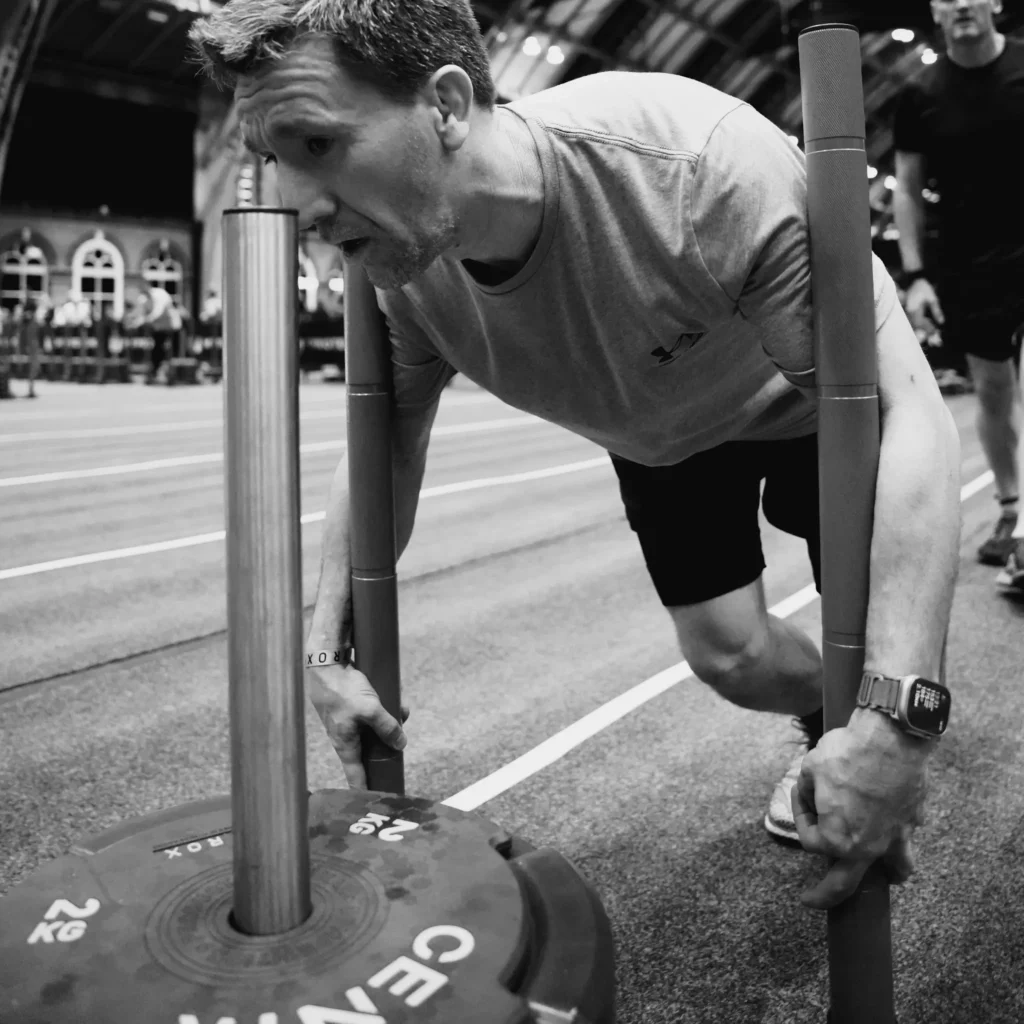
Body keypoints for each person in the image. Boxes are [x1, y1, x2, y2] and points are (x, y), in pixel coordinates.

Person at [190, 0, 962, 911]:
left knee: (876, 654)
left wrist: (896, 719)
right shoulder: (398, 265)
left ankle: (856, 716)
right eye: (272, 159)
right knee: (730, 658)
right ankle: (822, 714)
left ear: (444, 105)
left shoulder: (696, 166)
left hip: (809, 408)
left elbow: (914, 411)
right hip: (659, 431)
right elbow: (381, 444)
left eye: (316, 144)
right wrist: (324, 650)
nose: (297, 205)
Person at [893, 0, 1024, 591]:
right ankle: (1011, 504)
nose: (963, 3)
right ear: (936, 11)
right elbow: (908, 191)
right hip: (970, 265)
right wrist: (916, 275)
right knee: (994, 391)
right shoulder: (920, 93)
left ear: (996, 3)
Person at [142, 283, 183, 384]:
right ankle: (157, 372)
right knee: (158, 350)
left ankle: (169, 374)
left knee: (168, 351)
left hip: (169, 326)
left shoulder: (159, 294)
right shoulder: (147, 297)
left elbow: (159, 310)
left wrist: (148, 319)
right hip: (159, 327)